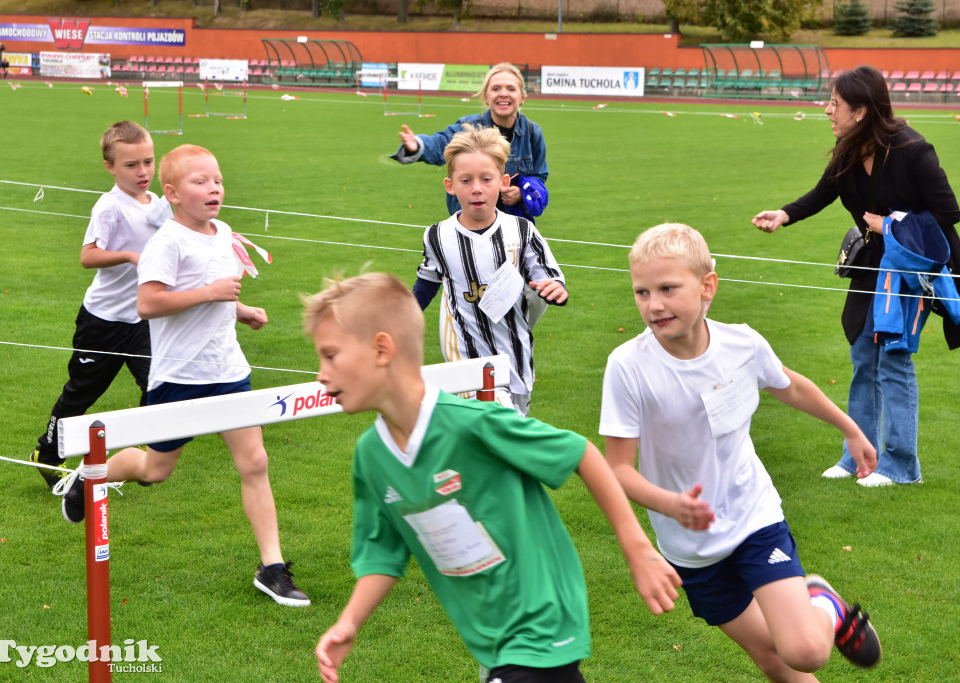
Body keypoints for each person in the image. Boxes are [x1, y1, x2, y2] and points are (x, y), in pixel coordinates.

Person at [305, 271, 682, 683]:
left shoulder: (473, 424)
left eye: (330, 355)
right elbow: (383, 554)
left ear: (381, 349)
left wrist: (638, 550)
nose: (321, 373)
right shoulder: (372, 456)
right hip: (493, 642)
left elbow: (581, 453)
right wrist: (348, 624)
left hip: (541, 625)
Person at [601, 223, 884, 680]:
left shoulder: (742, 343)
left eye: (668, 288)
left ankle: (825, 606)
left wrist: (849, 429)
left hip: (754, 517)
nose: (654, 305)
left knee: (805, 652)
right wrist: (670, 504)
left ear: (707, 285)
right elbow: (618, 469)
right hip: (689, 548)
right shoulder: (627, 367)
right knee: (772, 657)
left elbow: (789, 386)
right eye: (642, 292)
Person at [56, 144, 310, 608]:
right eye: (200, 182)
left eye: (217, 179)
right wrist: (211, 292)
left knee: (255, 463)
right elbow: (148, 303)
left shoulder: (224, 231)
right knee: (156, 470)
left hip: (228, 369)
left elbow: (214, 293)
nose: (214, 188)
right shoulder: (165, 243)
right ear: (171, 193)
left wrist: (240, 309)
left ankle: (272, 568)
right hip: (178, 378)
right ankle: (91, 476)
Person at [752, 64, 960, 486]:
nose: (826, 110)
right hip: (869, 267)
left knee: (893, 360)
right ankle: (857, 456)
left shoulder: (914, 150)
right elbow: (824, 192)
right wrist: (784, 214)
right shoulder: (848, 148)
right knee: (863, 358)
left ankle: (901, 466)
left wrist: (890, 226)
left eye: (834, 104)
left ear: (860, 111)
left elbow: (949, 213)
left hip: (910, 271)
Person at [30, 121, 170, 490]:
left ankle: (140, 457)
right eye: (131, 165)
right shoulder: (109, 207)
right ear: (110, 166)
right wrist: (128, 256)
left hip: (142, 319)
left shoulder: (157, 204)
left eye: (148, 162)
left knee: (158, 384)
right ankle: (47, 455)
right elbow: (88, 256)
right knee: (81, 393)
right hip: (102, 322)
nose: (143, 172)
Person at [412, 124, 566, 416]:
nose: (477, 189)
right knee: (483, 431)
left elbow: (547, 275)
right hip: (465, 359)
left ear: (503, 181)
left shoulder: (521, 231)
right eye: (466, 180)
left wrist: (555, 289)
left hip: (515, 360)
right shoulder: (438, 236)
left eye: (486, 179)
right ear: (450, 186)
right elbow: (425, 286)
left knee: (512, 439)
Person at [391, 62, 547, 224]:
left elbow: (539, 175)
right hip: (470, 226)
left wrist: (521, 193)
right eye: (495, 89)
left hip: (513, 227)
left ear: (521, 97)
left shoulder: (532, 132)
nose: (503, 94)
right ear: (486, 97)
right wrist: (417, 145)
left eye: (511, 89)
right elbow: (440, 144)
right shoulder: (468, 128)